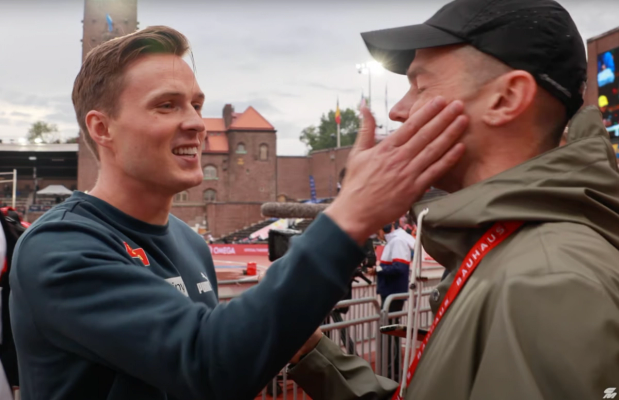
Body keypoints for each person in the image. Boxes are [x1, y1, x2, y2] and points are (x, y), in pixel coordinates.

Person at [9, 26, 468, 400]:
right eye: (166, 105)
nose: (195, 122)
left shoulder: (189, 242)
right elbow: (208, 365)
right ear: (102, 128)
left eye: (196, 104)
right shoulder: (60, 248)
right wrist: (351, 215)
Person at [288, 0, 619, 399]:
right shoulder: (513, 255)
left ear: (506, 99)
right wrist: (315, 355)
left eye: (421, 86)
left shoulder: (546, 283)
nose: (398, 111)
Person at [370, 222, 412, 381]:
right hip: (390, 294)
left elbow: (399, 268)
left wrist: (378, 269)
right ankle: (391, 370)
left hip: (393, 294)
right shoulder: (395, 241)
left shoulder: (397, 241)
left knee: (391, 333)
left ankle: (392, 372)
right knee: (390, 333)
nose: (377, 234)